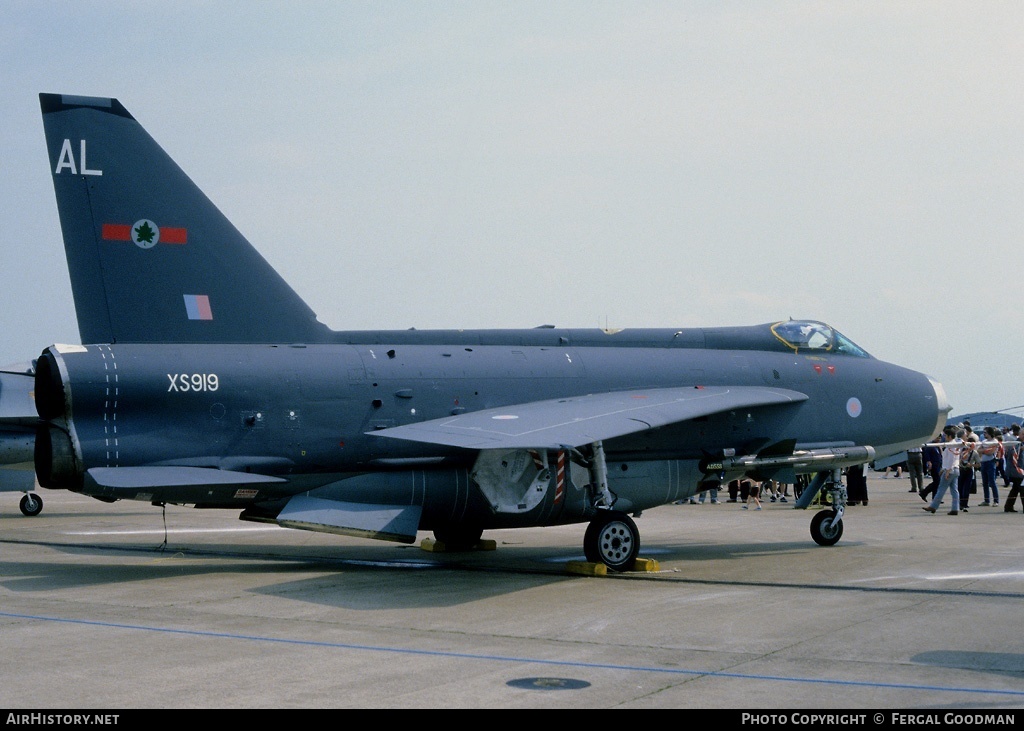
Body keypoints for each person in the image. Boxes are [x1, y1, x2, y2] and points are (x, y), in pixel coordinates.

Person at [924, 425, 966, 515]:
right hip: (955, 469)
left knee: (941, 489)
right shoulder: (956, 444)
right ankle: (955, 508)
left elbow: (950, 459)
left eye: (945, 435)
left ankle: (933, 506)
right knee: (954, 490)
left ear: (949, 436)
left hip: (950, 470)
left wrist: (947, 470)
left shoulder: (951, 445)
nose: (944, 437)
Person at [977, 426, 1000, 506]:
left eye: (985, 432)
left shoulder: (994, 441)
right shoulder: (984, 441)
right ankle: (986, 500)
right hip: (984, 462)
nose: (984, 434)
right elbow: (978, 450)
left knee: (992, 482)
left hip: (990, 462)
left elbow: (991, 452)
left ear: (989, 433)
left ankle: (996, 500)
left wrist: (984, 451)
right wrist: (984, 450)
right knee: (985, 482)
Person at [1003, 425, 1024, 512]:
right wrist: (1022, 449)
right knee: (1022, 488)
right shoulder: (1016, 443)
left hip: (1020, 469)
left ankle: (1008, 506)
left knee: (1015, 489)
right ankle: (1009, 506)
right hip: (1016, 469)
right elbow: (1012, 453)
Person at [920, 435, 943, 502]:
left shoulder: (938, 446)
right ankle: (925, 493)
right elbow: (926, 454)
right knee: (937, 481)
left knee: (937, 482)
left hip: (938, 465)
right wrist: (929, 462)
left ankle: (928, 494)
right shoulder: (931, 446)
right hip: (934, 466)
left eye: (939, 438)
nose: (938, 439)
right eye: (937, 438)